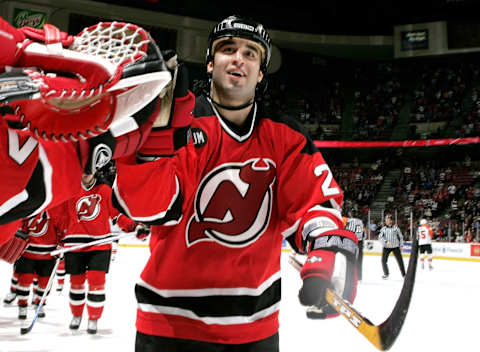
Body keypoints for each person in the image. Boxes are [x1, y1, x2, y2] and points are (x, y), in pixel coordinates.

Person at [113, 15, 358, 351]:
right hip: (169, 326)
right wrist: (153, 147)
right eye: (228, 49)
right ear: (210, 65)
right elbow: (148, 208)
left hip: (255, 330)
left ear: (260, 74)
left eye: (251, 53)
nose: (239, 58)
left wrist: (327, 245)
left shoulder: (285, 137)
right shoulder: (177, 127)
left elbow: (312, 204)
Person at [57, 174, 147, 335]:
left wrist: (134, 226)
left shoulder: (105, 190)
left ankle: (93, 318)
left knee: (96, 282)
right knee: (76, 283)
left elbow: (117, 214)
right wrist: (56, 236)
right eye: (83, 170)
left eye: (89, 170)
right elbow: (60, 216)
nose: (86, 173)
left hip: (99, 244)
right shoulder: (70, 190)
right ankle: (76, 316)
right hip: (74, 244)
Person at [13, 208, 65, 320]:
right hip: (27, 252)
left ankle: (39, 304)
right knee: (24, 279)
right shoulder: (27, 209)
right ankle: (22, 305)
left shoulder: (54, 210)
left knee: (45, 282)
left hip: (48, 254)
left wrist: (61, 244)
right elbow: (18, 226)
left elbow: (62, 228)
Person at [378, 214, 405, 279]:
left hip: (395, 247)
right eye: (386, 219)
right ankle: (386, 274)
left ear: (391, 221)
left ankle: (404, 275)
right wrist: (386, 241)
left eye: (388, 219)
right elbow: (380, 237)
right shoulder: (383, 229)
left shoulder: (396, 228)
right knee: (383, 261)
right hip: (386, 248)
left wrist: (401, 245)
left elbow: (401, 237)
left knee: (400, 261)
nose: (386, 221)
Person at [344, 210, 366, 281]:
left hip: (352, 242)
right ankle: (359, 277)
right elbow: (364, 234)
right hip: (360, 242)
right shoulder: (361, 222)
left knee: (350, 259)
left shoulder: (349, 221)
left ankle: (349, 276)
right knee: (359, 260)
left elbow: (348, 232)